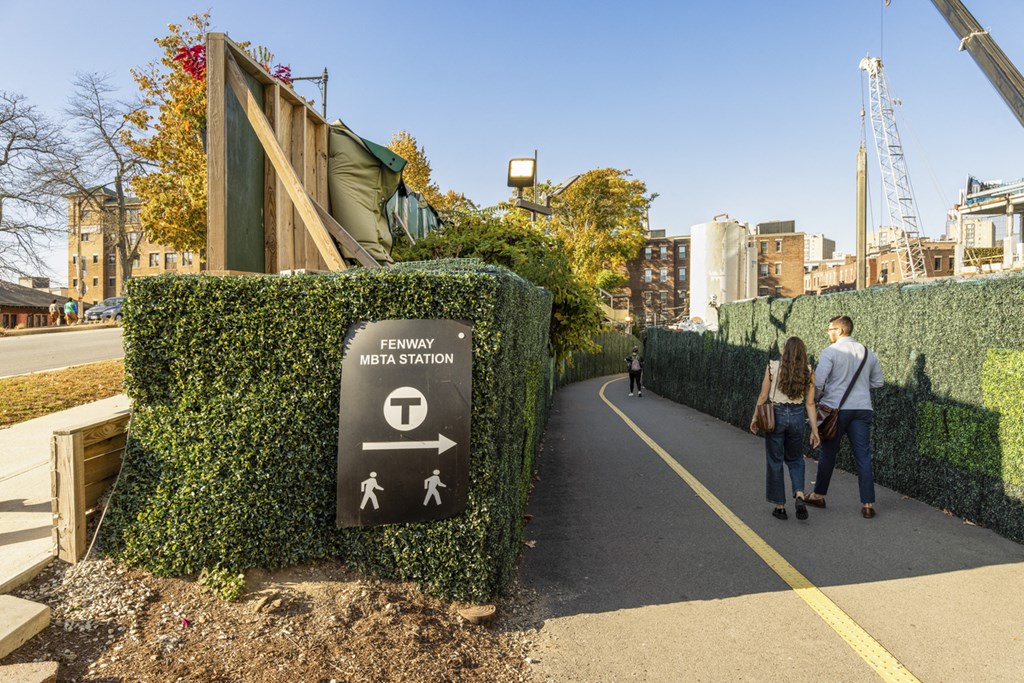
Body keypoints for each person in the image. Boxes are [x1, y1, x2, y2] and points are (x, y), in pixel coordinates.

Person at [805, 315, 884, 518]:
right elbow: (878, 382)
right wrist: (859, 386)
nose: (828, 332)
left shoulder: (830, 352)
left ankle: (819, 495)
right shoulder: (868, 353)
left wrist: (826, 393)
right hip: (863, 408)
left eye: (830, 329)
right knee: (863, 457)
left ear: (840, 331)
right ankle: (867, 504)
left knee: (828, 454)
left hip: (835, 409)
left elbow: (819, 382)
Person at [750, 336, 821, 520]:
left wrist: (755, 417)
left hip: (776, 415)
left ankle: (780, 507)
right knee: (796, 459)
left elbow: (763, 396)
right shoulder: (809, 371)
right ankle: (799, 494)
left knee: (775, 460)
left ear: (785, 350)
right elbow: (811, 403)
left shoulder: (773, 367)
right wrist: (815, 430)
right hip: (797, 416)